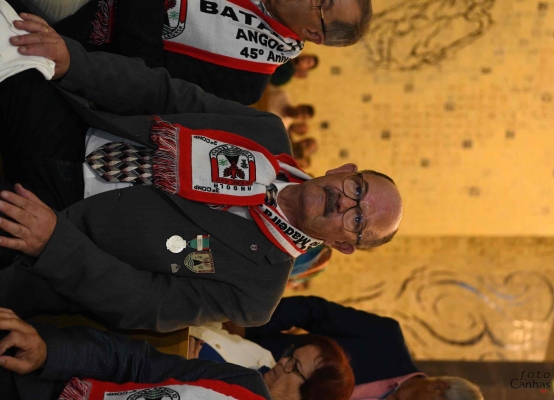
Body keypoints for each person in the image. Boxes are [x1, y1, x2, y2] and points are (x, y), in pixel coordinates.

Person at [0, 10, 403, 332]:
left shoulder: (256, 294)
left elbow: (144, 302)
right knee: (14, 39)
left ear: (343, 245)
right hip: (78, 130)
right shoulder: (267, 132)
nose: (344, 202)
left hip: (61, 223)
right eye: (357, 188)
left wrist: (55, 245)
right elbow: (164, 94)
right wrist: (76, 64)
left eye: (357, 220)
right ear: (344, 170)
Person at [16, 0, 372, 105]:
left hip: (87, 23)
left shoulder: (246, 80)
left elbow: (142, 70)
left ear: (313, 34)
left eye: (322, 3)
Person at [237, 296, 483, 399]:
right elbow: (312, 311)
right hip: (245, 357)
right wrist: (247, 327)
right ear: (438, 388)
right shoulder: (385, 338)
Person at [0, 308, 272, 400]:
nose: (284, 366)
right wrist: (48, 353)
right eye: (291, 359)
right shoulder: (247, 386)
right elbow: (135, 364)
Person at [189, 328, 355, 400]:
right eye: (291, 354)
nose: (282, 361)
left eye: (294, 365)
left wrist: (187, 374)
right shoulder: (262, 356)